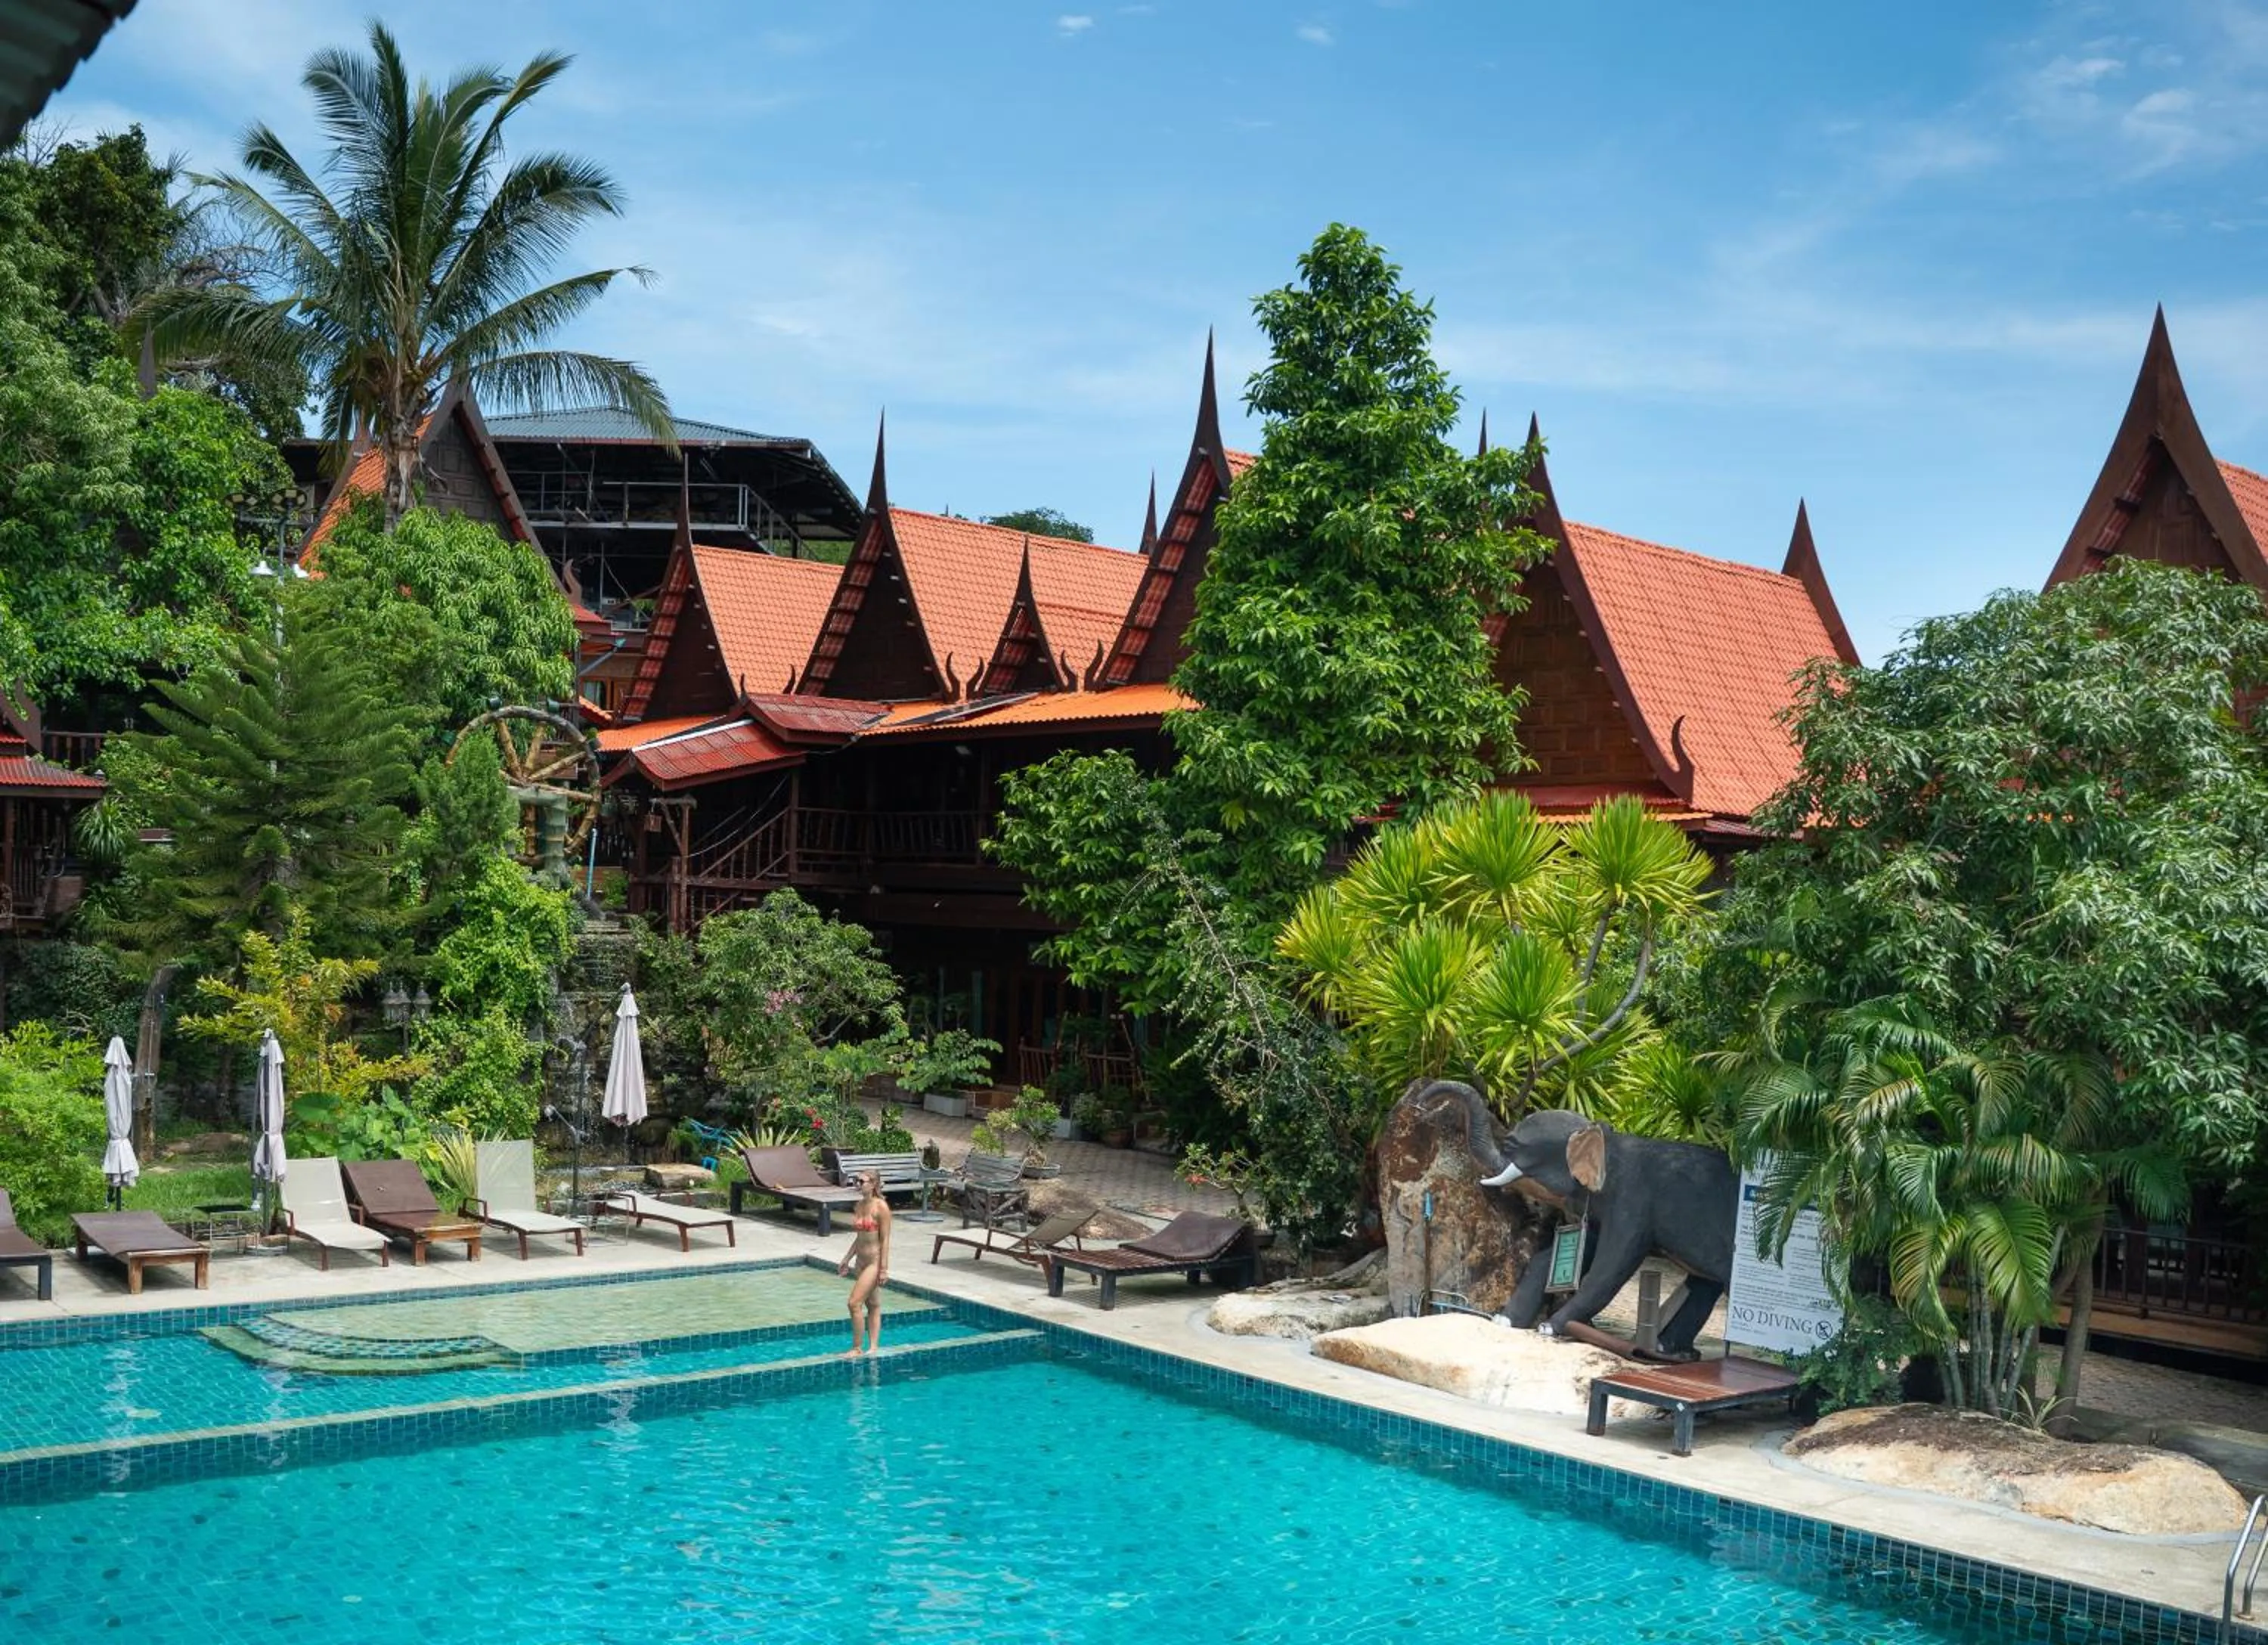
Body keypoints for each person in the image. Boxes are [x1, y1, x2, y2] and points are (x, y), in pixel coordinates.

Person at [838, 1169, 891, 1355]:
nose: (858, 1185)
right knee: (874, 1304)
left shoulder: (881, 1207)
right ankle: (874, 1347)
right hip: (860, 1261)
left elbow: (885, 1240)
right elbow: (859, 1237)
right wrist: (846, 1259)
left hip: (874, 1263)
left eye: (862, 1181)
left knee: (854, 1303)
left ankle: (857, 1347)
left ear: (874, 1184)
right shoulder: (859, 1205)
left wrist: (883, 1269)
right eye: (857, 1181)